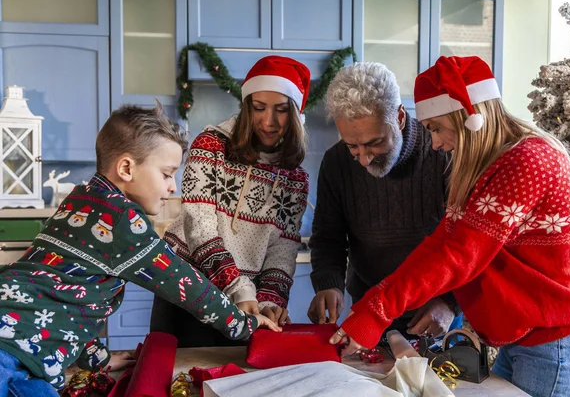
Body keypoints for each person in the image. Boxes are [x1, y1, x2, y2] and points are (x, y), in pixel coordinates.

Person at [330, 56, 570, 397]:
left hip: (558, 344)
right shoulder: (490, 168)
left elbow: (460, 256)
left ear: (470, 116)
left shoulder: (529, 160)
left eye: (436, 128)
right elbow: (439, 244)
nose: (437, 143)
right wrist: (370, 308)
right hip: (527, 342)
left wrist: (378, 311)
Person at [0, 103, 280, 396]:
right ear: (126, 169)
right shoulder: (123, 221)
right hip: (12, 357)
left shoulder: (79, 201)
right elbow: (187, 284)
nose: (173, 187)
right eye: (167, 173)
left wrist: (100, 359)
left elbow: (68, 300)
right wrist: (243, 324)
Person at [151, 56, 310, 347]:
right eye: (259, 108)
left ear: (296, 113)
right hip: (188, 285)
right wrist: (239, 289)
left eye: (282, 110)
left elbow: (283, 248)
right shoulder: (210, 145)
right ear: (247, 105)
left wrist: (270, 300)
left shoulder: (294, 178)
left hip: (245, 299)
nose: (268, 121)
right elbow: (199, 226)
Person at [307, 62, 461, 342]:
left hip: (433, 310)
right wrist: (329, 285)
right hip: (368, 305)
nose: (364, 159)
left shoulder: (443, 152)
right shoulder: (336, 162)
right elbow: (328, 236)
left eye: (375, 143)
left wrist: (450, 302)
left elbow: (469, 245)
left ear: (400, 117)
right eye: (353, 146)